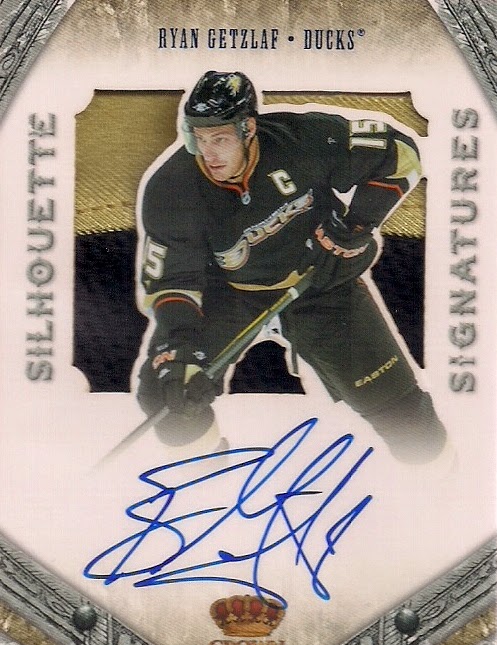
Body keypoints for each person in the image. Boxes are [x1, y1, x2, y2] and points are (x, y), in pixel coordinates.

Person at [136, 70, 447, 463]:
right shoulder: (171, 188)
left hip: (319, 282)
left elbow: (401, 153)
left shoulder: (303, 138)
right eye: (199, 138)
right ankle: (209, 484)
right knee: (167, 395)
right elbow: (172, 281)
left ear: (248, 128)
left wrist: (357, 225)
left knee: (406, 418)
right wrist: (180, 349)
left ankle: (444, 487)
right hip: (229, 294)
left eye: (220, 139)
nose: (208, 153)